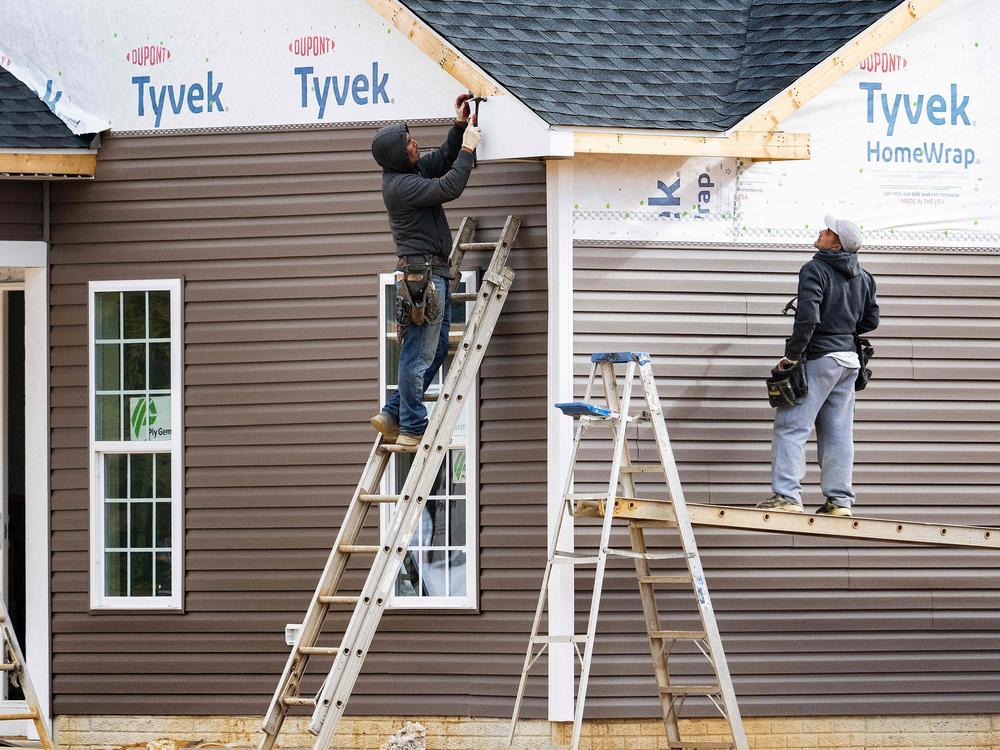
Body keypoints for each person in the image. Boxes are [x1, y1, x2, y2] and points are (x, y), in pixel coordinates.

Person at [368, 94, 482, 447]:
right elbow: (450, 186)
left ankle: (393, 412)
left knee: (431, 353)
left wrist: (459, 127)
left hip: (433, 274)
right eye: (408, 142)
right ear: (397, 155)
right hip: (424, 277)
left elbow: (440, 161)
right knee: (417, 356)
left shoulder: (409, 172)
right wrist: (468, 150)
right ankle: (414, 427)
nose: (415, 143)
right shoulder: (400, 186)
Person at [757, 214, 880, 517]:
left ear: (835, 244)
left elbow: (808, 318)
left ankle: (787, 496)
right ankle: (840, 502)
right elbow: (870, 320)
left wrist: (793, 356)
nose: (821, 232)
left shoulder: (815, 269)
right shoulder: (864, 277)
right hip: (849, 362)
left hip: (820, 358)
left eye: (827, 231)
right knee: (838, 433)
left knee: (791, 427)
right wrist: (843, 328)